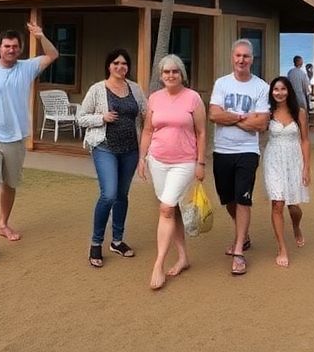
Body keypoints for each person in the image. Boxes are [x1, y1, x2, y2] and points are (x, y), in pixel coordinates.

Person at [0, 24, 58, 255]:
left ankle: (3, 224)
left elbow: (53, 55)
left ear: (20, 49)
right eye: (7, 46)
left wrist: (40, 35)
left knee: (10, 184)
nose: (11, 50)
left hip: (16, 138)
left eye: (15, 46)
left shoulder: (27, 68)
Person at [137, 54, 206, 290]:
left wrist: (201, 163)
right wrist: (142, 158)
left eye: (175, 71)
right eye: (166, 72)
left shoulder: (193, 98)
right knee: (172, 208)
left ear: (182, 74)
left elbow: (201, 133)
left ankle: (158, 264)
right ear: (160, 75)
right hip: (157, 160)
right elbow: (147, 130)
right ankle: (183, 256)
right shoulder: (154, 99)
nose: (170, 75)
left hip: (184, 162)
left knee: (166, 208)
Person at [77, 48, 147, 268]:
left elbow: (147, 113)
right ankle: (96, 243)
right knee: (108, 194)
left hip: (130, 150)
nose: (120, 67)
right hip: (105, 147)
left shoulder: (135, 88)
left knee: (122, 195)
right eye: (116, 63)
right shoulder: (98, 89)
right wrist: (102, 117)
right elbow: (81, 117)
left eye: (124, 63)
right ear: (109, 66)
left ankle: (117, 240)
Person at [209, 39, 271, 277]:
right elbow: (214, 114)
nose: (241, 60)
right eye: (238, 56)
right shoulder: (221, 83)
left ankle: (238, 252)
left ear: (252, 59)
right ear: (232, 57)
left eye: (246, 56)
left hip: (247, 151)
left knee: (243, 198)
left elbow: (262, 123)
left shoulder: (261, 87)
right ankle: (243, 235)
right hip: (222, 150)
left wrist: (230, 116)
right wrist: (245, 118)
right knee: (229, 199)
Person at [263, 76, 310, 268]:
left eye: (283, 89)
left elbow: (305, 140)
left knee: (293, 206)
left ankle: (296, 226)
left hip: (293, 159)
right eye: (275, 89)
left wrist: (306, 167)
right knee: (277, 203)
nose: (279, 93)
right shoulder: (267, 113)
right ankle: (282, 247)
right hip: (273, 158)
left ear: (288, 91)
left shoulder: (299, 112)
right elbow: (255, 128)